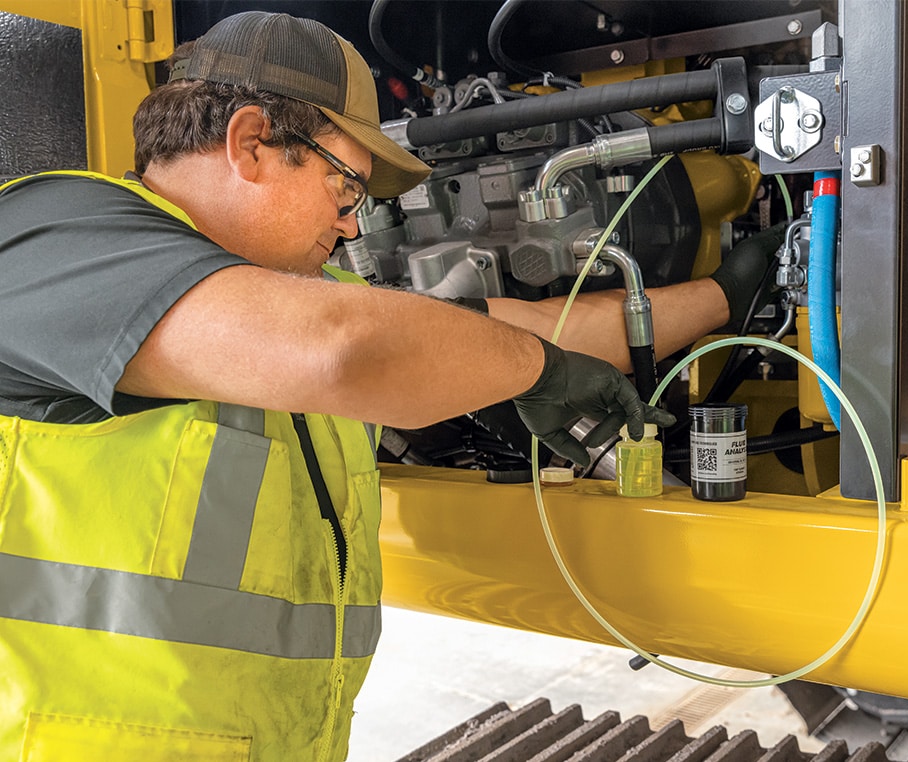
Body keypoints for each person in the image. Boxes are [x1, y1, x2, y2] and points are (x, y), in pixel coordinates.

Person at [0, 10, 779, 761]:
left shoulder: (273, 294)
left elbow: (517, 333)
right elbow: (341, 351)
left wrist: (729, 295)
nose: (349, 227)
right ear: (250, 144)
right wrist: (540, 375)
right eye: (345, 192)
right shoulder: (56, 236)